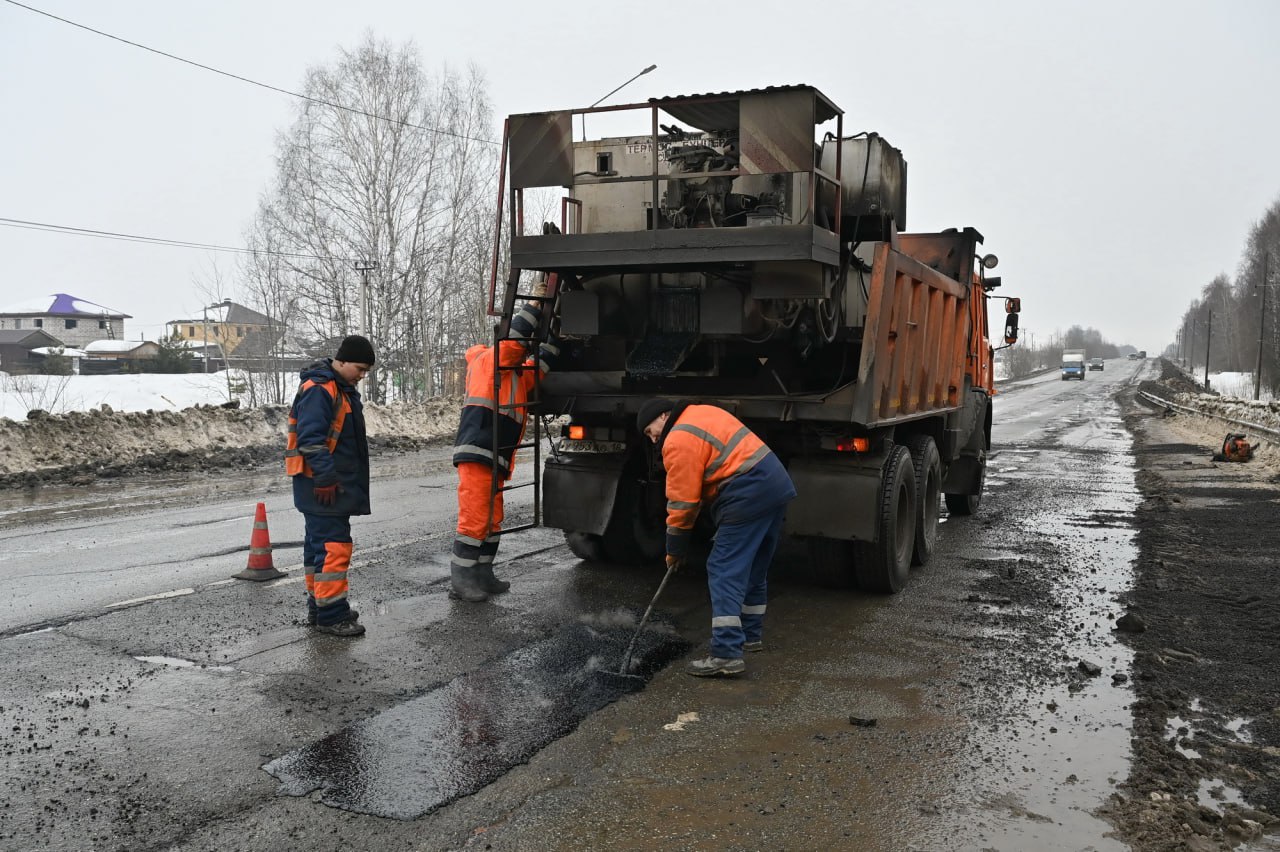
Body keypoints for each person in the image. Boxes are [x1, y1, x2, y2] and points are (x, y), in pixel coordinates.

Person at [637, 399, 796, 677]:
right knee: (754, 565)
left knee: (724, 569)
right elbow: (700, 487)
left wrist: (674, 548)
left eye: (650, 431)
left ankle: (725, 654)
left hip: (747, 489)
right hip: (775, 482)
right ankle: (750, 635)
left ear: (663, 416)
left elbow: (682, 503)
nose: (653, 440)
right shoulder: (701, 413)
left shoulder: (677, 439)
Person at [449, 275, 560, 602]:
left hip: (494, 455)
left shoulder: (512, 376)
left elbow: (539, 365)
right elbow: (514, 343)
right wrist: (536, 305)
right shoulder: (487, 361)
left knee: (492, 519)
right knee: (474, 518)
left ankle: (483, 574)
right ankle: (462, 581)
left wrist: (556, 334)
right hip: (478, 452)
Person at [285, 334, 375, 637]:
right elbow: (311, 440)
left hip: (328, 486)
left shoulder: (339, 389)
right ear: (342, 360)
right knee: (333, 547)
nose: (362, 376)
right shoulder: (321, 389)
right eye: (360, 369)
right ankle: (332, 615)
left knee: (318, 548)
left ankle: (321, 606)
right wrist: (324, 478)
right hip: (323, 486)